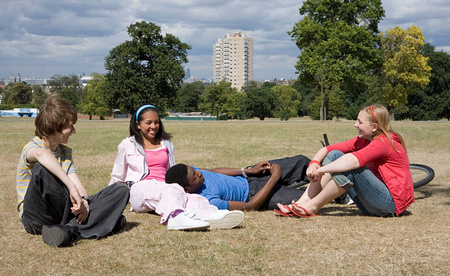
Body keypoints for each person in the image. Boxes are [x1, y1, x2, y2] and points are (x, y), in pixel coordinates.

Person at [16, 95, 130, 247]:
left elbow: (78, 184)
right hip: (36, 218)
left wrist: (84, 200)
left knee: (120, 190)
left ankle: (69, 230)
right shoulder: (32, 147)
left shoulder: (65, 153)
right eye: (71, 126)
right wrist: (71, 187)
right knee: (42, 168)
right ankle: (103, 221)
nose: (74, 130)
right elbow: (41, 155)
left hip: (62, 213)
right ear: (56, 126)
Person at [109, 104, 244, 230]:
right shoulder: (127, 145)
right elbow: (117, 176)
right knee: (171, 190)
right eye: (148, 123)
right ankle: (175, 217)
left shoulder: (165, 143)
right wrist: (110, 202)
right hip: (140, 189)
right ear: (138, 124)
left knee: (193, 198)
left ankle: (212, 215)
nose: (153, 126)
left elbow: (171, 170)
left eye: (156, 122)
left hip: (166, 187)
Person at [276, 104, 414, 218]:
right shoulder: (364, 140)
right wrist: (314, 162)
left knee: (353, 168)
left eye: (360, 122)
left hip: (389, 205)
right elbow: (328, 150)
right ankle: (301, 204)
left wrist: (320, 170)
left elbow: (351, 162)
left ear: (374, 127)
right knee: (335, 154)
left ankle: (312, 207)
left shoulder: (383, 142)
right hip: (371, 204)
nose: (355, 125)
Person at [165, 154, 311, 211]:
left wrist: (248, 171)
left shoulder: (195, 173)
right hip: (255, 194)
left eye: (194, 170)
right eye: (195, 177)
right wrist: (274, 178)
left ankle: (333, 174)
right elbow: (250, 206)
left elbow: (214, 171)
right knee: (308, 197)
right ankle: (334, 190)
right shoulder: (208, 200)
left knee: (302, 162)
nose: (199, 173)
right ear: (187, 190)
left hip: (250, 176)